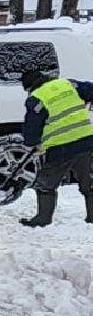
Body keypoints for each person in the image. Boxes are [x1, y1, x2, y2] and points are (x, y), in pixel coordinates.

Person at [17, 69, 93, 227]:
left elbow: (32, 126)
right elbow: (90, 89)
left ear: (29, 87)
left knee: (45, 184)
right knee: (88, 182)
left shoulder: (36, 98)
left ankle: (43, 219)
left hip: (60, 148)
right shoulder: (68, 84)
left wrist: (32, 143)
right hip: (86, 141)